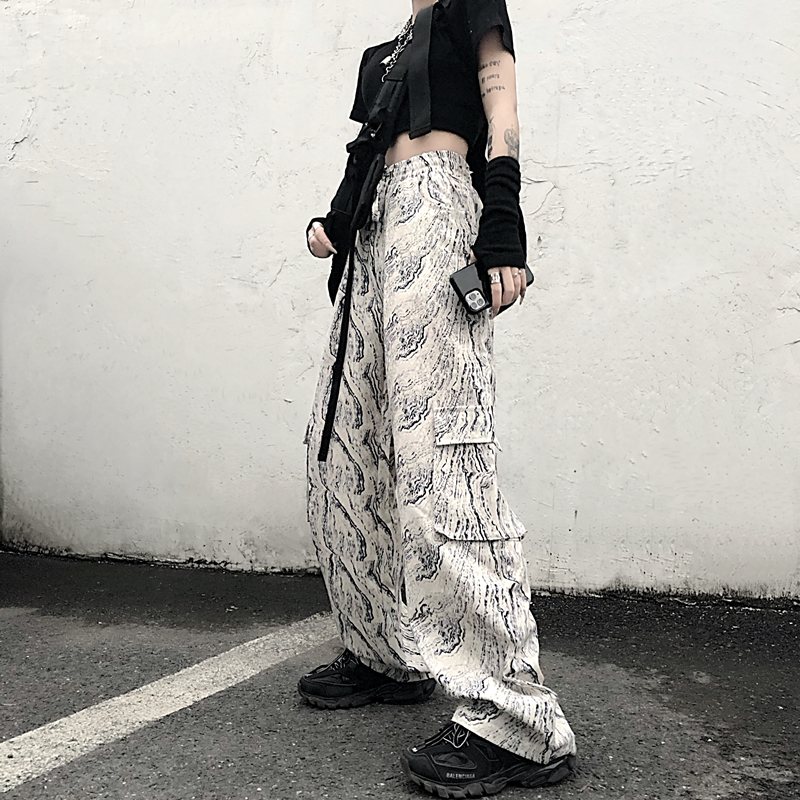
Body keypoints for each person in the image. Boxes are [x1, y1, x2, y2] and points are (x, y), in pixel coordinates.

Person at [300, 0, 577, 796]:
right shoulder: (384, 54)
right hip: (375, 229)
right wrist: (337, 220)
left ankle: (518, 721)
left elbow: (501, 105)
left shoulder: (466, 8)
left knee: (439, 455)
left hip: (437, 209)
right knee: (340, 450)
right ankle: (385, 654)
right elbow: (368, 152)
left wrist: (503, 219)